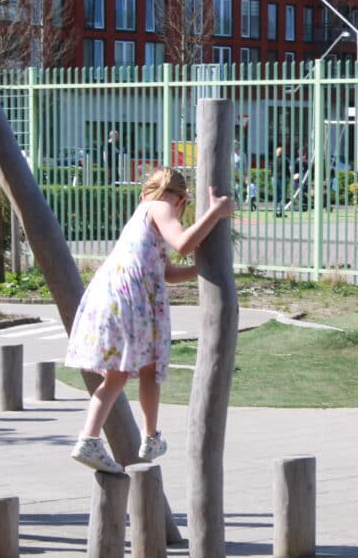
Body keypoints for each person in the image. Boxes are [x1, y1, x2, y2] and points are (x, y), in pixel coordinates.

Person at [66, 167, 235, 473]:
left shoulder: (144, 218)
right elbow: (183, 243)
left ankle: (150, 436)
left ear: (143, 191)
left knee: (147, 366)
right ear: (181, 199)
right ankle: (89, 439)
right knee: (119, 375)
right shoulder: (160, 207)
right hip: (130, 296)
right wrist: (215, 213)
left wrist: (207, 268)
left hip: (117, 292)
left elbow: (168, 272)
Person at [272, 145, 288, 217]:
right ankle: (281, 212)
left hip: (275, 178)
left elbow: (272, 170)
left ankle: (274, 213)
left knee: (275, 196)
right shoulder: (285, 160)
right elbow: (287, 170)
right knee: (282, 196)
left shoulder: (274, 160)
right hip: (283, 179)